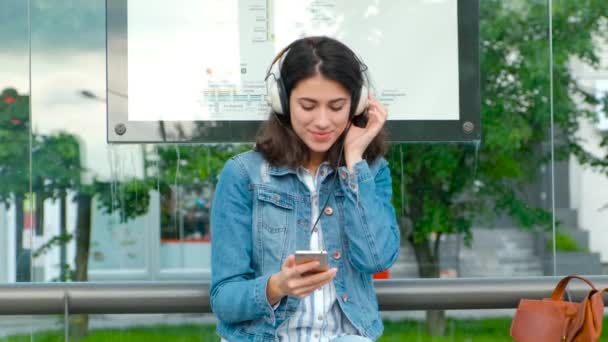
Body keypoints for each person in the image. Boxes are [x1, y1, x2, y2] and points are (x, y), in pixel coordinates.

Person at [210, 36, 400, 341]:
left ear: (358, 103)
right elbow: (224, 299)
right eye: (308, 106)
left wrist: (354, 162)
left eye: (337, 106)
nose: (322, 121)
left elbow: (376, 259)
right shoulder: (243, 175)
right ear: (282, 102)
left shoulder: (370, 173)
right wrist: (277, 286)